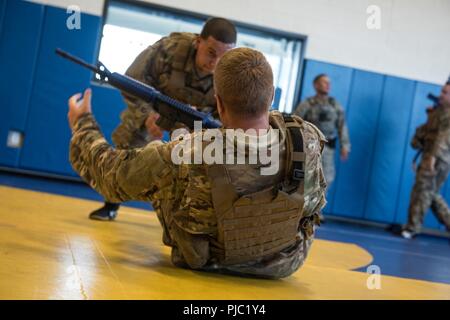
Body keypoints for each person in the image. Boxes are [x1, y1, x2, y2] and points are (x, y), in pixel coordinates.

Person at [67, 47, 327, 279]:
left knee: (167, 171)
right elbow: (311, 207)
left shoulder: (188, 152)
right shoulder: (306, 139)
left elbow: (110, 176)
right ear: (271, 96)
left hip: (208, 262)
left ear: (218, 102)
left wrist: (83, 123)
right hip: (284, 263)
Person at [89, 17, 237, 221]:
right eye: (211, 53)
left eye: (223, 56)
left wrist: (202, 129)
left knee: (209, 160)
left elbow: (230, 114)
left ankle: (192, 218)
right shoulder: (168, 49)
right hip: (156, 108)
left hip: (196, 121)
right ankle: (111, 204)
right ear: (197, 41)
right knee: (129, 144)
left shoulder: (231, 71)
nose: (215, 62)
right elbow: (131, 82)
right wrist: (146, 114)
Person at [292, 74, 350, 221]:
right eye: (324, 82)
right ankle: (303, 208)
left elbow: (342, 126)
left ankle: (316, 209)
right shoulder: (308, 104)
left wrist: (345, 145)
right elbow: (295, 122)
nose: (327, 85)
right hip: (310, 148)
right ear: (316, 85)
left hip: (328, 148)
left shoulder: (335, 105)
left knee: (327, 179)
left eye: (329, 83)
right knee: (308, 178)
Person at [400, 81, 450, 239]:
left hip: (438, 158)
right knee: (429, 193)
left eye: (445, 93)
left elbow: (442, 139)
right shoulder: (437, 112)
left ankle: (412, 227)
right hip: (429, 155)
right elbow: (424, 133)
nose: (441, 95)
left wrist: (432, 158)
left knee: (423, 192)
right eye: (442, 91)